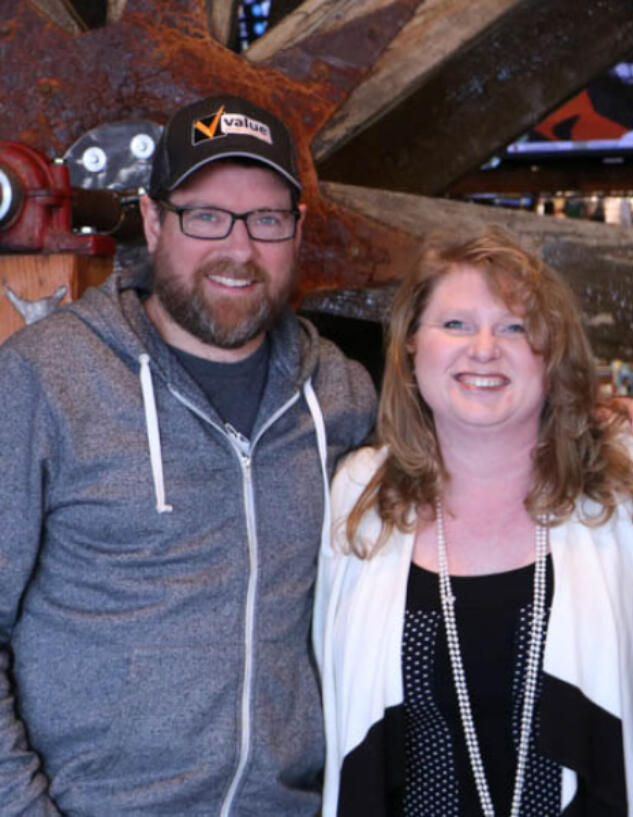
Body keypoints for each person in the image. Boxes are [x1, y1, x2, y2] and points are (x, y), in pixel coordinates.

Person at [0, 94, 376, 815]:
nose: (238, 249)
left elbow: (462, 472)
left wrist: (599, 426)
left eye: (265, 219)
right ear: (152, 219)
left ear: (296, 230)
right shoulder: (45, 380)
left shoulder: (340, 396)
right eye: (206, 215)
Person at [315, 228, 633, 817]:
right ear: (410, 344)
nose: (484, 348)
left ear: (551, 351)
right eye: (455, 325)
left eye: (514, 327)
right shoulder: (358, 492)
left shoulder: (631, 478)